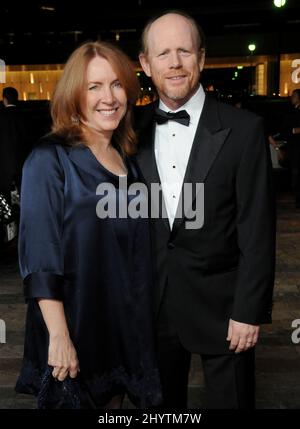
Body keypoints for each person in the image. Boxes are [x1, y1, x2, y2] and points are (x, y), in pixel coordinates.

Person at [135, 10, 276, 409]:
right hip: (153, 308)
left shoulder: (244, 129)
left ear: (201, 57)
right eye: (163, 53)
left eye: (184, 51)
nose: (174, 63)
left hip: (225, 310)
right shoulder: (131, 129)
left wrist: (249, 311)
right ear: (146, 64)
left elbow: (257, 229)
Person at [15, 41, 162, 409]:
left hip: (120, 326)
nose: (108, 97)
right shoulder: (49, 159)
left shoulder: (127, 159)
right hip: (75, 324)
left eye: (116, 84)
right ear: (74, 96)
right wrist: (59, 335)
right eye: (93, 86)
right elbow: (40, 255)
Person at [0, 87, 27, 199]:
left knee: (6, 197)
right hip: (23, 163)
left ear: (4, 100)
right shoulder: (25, 117)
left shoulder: (0, 117)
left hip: (4, 164)